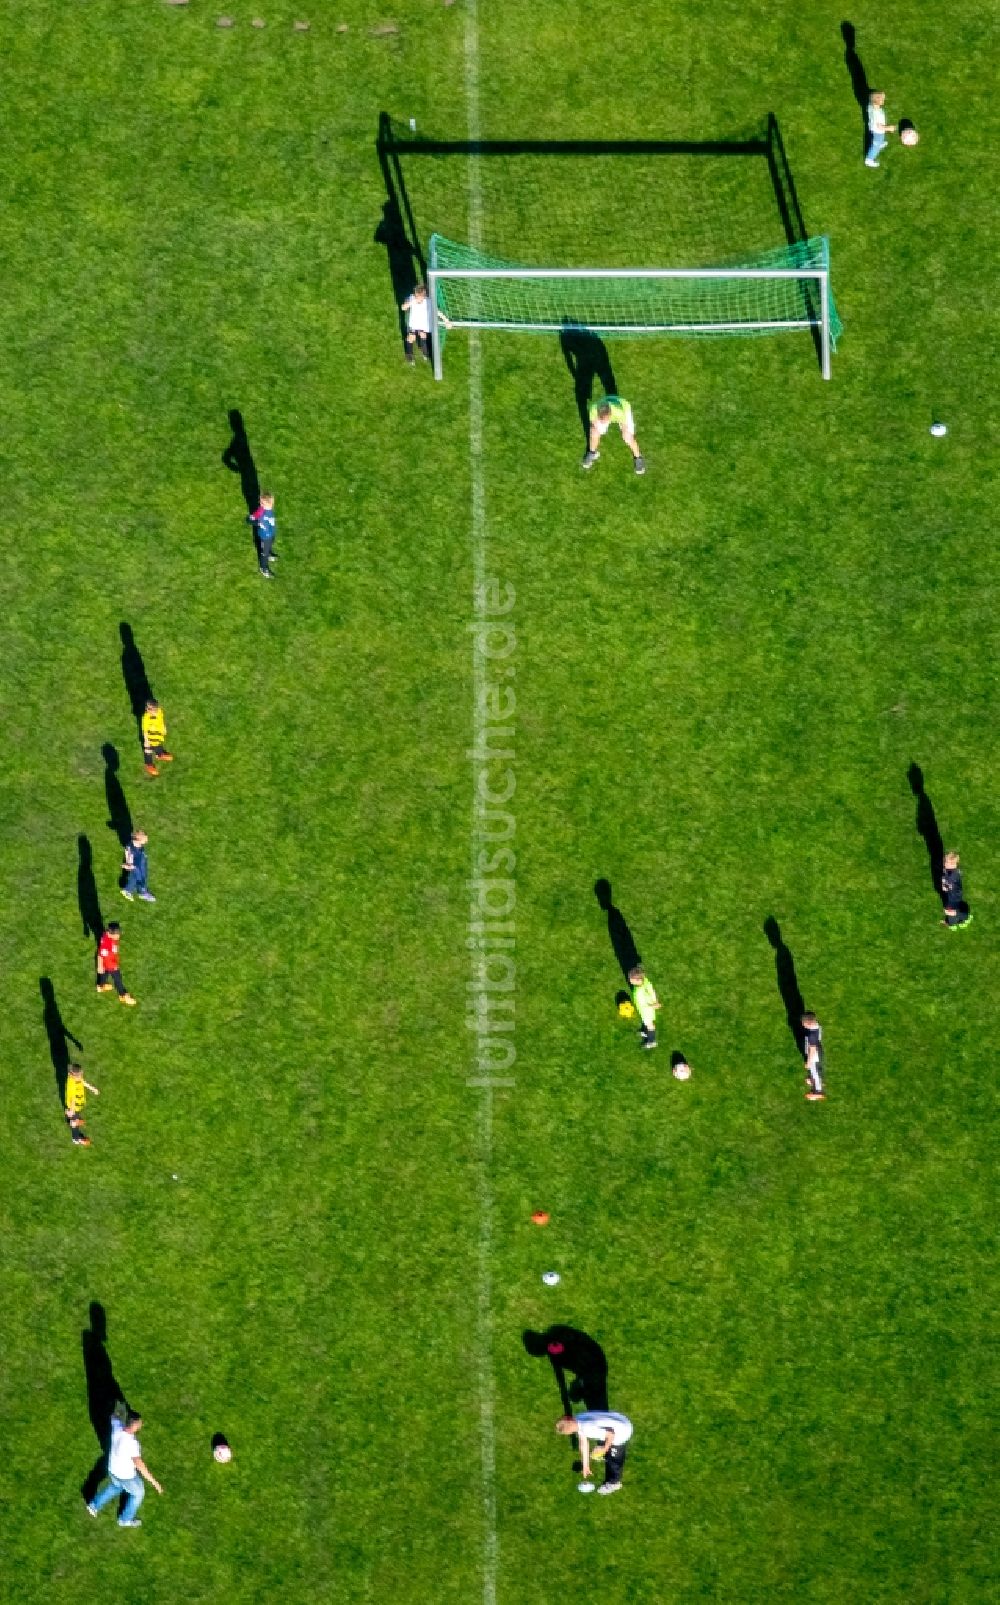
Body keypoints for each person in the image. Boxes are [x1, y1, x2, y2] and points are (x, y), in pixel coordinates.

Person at [87, 1411, 163, 1528]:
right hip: (126, 1476)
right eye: (139, 1423)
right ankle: (125, 1519)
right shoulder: (132, 1444)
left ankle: (94, 1506)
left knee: (115, 1487)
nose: (141, 1425)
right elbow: (140, 1465)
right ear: (134, 1426)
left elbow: (113, 1417)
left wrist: (117, 1413)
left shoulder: (117, 1427)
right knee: (138, 1493)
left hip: (113, 1469)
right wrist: (155, 1483)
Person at [555, 1410, 633, 1495]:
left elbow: (611, 1434)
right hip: (620, 1419)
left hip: (622, 1432)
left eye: (569, 1433)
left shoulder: (588, 1429)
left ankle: (614, 1483)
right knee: (604, 1442)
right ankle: (606, 1450)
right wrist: (585, 1466)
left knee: (614, 1460)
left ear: (570, 1429)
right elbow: (583, 1443)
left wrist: (605, 1449)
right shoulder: (578, 1418)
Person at [582, 396, 645, 475]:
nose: (603, 421)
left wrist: (625, 431)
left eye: (605, 419)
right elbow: (594, 423)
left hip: (624, 409)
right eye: (601, 418)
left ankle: (638, 458)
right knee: (594, 431)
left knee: (628, 437)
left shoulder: (619, 412)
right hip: (607, 406)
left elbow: (624, 425)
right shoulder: (594, 409)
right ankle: (592, 453)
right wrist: (598, 424)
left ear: (610, 414)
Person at [96, 923, 137, 1006]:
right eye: (117, 934)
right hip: (111, 964)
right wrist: (100, 965)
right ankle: (123, 995)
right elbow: (100, 954)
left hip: (107, 962)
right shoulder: (107, 944)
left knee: (104, 974)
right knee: (118, 980)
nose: (119, 935)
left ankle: (100, 987)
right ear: (111, 934)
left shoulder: (106, 935)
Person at [65, 1063, 99, 1147]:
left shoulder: (77, 1078)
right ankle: (76, 1138)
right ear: (74, 1075)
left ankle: (76, 1120)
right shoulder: (71, 1084)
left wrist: (92, 1088)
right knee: (74, 1122)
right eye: (80, 1075)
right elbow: (72, 1099)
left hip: (77, 1106)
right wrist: (71, 1110)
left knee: (75, 1118)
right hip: (74, 1107)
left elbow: (82, 1082)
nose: (81, 1076)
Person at [628, 965, 660, 1050]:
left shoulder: (641, 990)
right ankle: (646, 1031)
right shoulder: (645, 981)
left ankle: (652, 1041)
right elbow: (652, 990)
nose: (630, 980)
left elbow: (650, 994)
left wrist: (654, 1004)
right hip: (644, 1009)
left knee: (650, 1024)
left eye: (631, 979)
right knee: (647, 1023)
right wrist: (656, 1001)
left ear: (638, 980)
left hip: (647, 1010)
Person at [401, 283, 432, 364]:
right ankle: (409, 355)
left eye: (418, 295)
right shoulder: (411, 298)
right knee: (411, 337)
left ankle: (425, 353)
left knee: (423, 335)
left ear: (423, 295)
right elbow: (403, 307)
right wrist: (412, 301)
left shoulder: (428, 301)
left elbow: (437, 311)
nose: (416, 296)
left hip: (422, 324)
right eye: (415, 294)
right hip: (413, 323)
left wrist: (446, 320)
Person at [941, 851, 973, 929]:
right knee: (951, 907)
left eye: (947, 862)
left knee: (950, 911)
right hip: (955, 894)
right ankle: (958, 915)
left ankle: (951, 923)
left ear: (953, 865)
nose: (945, 863)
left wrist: (945, 885)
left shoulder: (952, 877)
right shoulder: (954, 871)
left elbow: (948, 885)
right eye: (945, 861)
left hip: (953, 897)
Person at [249, 492, 277, 580]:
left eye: (262, 503)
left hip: (271, 533)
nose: (260, 504)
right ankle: (264, 568)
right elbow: (253, 518)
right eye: (261, 503)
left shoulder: (269, 509)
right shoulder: (261, 511)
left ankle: (268, 554)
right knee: (264, 553)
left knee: (271, 543)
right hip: (264, 536)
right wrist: (252, 519)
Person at [121, 830, 155, 903]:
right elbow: (129, 857)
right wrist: (129, 865)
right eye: (145, 840)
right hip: (136, 865)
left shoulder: (138, 845)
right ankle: (139, 892)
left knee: (142, 876)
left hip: (141, 862)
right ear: (138, 840)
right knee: (139, 877)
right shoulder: (131, 848)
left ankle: (137, 890)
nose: (146, 841)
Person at [141, 699, 173, 777]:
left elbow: (161, 720)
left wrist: (164, 727)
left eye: (150, 709)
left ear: (156, 708)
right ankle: (149, 765)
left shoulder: (159, 712)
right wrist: (146, 740)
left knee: (158, 745)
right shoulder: (146, 718)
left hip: (158, 735)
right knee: (148, 750)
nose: (147, 710)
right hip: (150, 736)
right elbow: (145, 730)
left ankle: (160, 755)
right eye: (147, 708)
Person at [865, 92, 896, 168]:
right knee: (875, 146)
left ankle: (879, 143)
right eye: (882, 100)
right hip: (878, 131)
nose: (884, 100)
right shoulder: (877, 114)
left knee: (879, 140)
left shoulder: (871, 106)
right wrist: (889, 128)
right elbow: (880, 126)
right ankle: (869, 159)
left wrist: (880, 95)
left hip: (873, 127)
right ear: (877, 102)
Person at [801, 1011, 825, 1101]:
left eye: (804, 1023)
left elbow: (812, 1049)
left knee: (815, 1071)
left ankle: (818, 1091)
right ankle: (814, 1080)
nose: (803, 1025)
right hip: (817, 1050)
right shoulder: (816, 1025)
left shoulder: (812, 1035)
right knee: (815, 1070)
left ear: (808, 1023)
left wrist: (808, 1062)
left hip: (814, 1055)